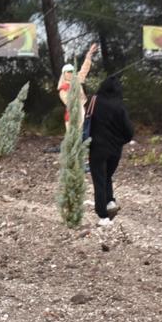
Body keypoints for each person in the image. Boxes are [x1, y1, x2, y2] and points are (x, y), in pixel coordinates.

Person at [87, 77, 135, 227]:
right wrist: (120, 142)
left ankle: (103, 216)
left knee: (99, 180)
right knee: (107, 176)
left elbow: (84, 120)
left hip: (97, 148)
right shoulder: (119, 106)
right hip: (115, 150)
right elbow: (129, 132)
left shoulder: (94, 102)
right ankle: (110, 202)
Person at [57, 44, 98, 129]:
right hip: (72, 115)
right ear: (64, 74)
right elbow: (69, 102)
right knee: (73, 138)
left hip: (82, 111)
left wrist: (89, 55)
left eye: (72, 71)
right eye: (68, 72)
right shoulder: (63, 89)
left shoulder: (77, 80)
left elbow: (84, 69)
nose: (70, 74)